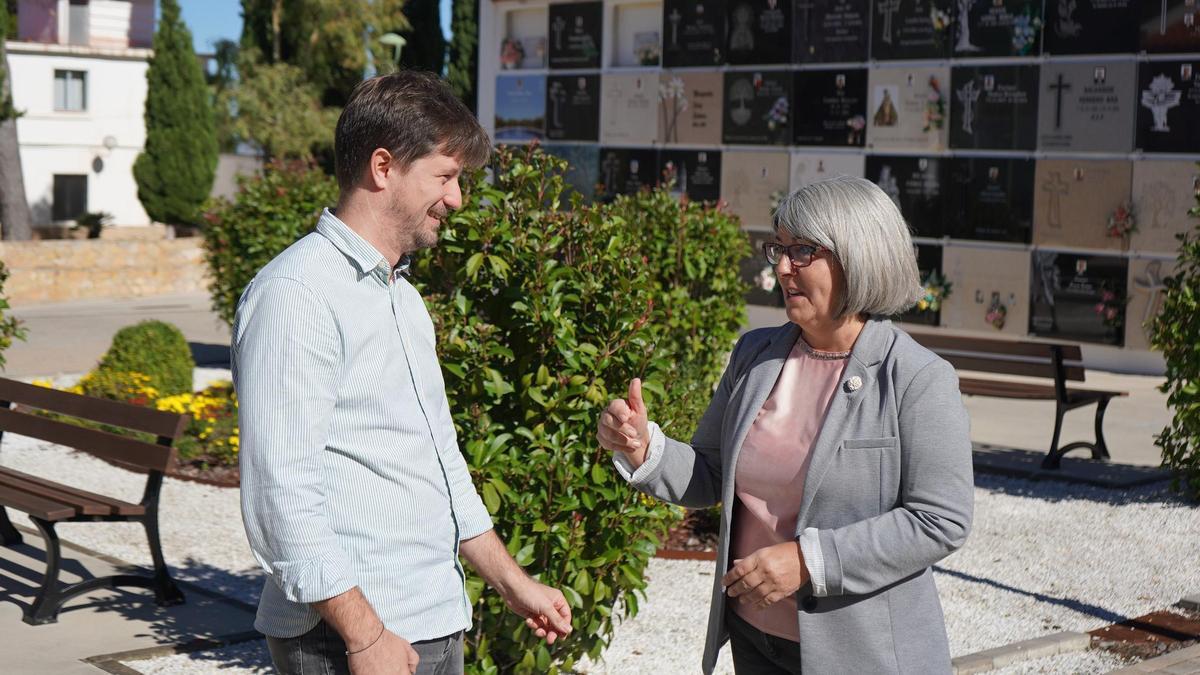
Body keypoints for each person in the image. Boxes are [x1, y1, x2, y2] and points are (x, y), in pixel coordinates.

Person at [234, 71, 571, 675]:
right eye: (445, 176)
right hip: (349, 644)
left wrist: (512, 583)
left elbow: (440, 463)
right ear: (383, 167)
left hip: (433, 623)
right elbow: (280, 494)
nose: (458, 199)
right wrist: (365, 637)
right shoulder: (295, 295)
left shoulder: (402, 298)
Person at [598, 176, 973, 674]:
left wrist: (808, 562)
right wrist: (645, 448)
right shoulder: (756, 354)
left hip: (862, 655)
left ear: (857, 256)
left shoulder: (918, 378)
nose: (780, 266)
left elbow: (939, 521)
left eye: (802, 251)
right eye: (779, 247)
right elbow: (710, 472)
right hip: (755, 639)